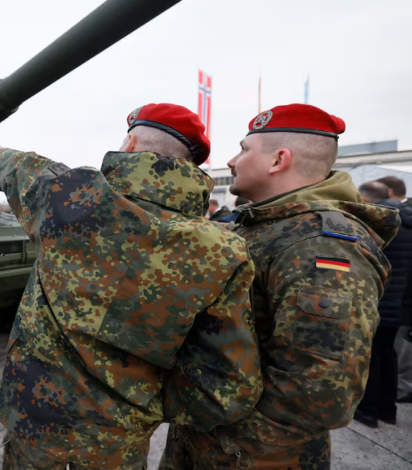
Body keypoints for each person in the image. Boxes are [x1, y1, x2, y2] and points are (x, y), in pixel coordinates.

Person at [0, 103, 262, 469]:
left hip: (34, 424)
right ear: (191, 165)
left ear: (130, 143)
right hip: (121, 437)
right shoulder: (223, 248)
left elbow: (13, 162)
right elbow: (229, 385)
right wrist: (147, 407)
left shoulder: (68, 195)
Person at [160, 104, 400, 469]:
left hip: (248, 457)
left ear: (278, 160)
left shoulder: (322, 245)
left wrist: (230, 445)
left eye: (244, 149)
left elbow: (319, 392)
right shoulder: (261, 225)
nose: (231, 161)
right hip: (206, 441)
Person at [353, 181, 412, 426]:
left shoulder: (376, 222)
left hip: (378, 299)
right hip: (399, 302)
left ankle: (367, 410)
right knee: (387, 354)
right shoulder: (407, 220)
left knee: (371, 356)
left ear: (365, 199)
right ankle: (388, 409)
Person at [375, 176, 412, 403]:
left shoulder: (388, 222)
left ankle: (396, 392)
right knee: (395, 351)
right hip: (402, 299)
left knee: (390, 350)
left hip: (391, 297)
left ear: (388, 192)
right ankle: (394, 393)